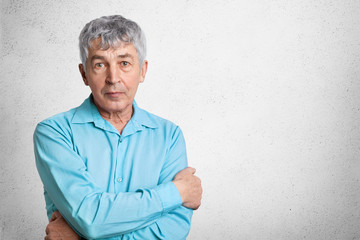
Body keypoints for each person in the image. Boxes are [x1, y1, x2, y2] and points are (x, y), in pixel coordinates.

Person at [33, 15, 202, 240]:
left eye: (124, 63)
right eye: (100, 64)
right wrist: (176, 193)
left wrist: (82, 236)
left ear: (142, 70)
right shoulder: (54, 133)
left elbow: (172, 231)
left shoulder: (169, 136)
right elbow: (90, 218)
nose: (113, 78)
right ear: (84, 73)